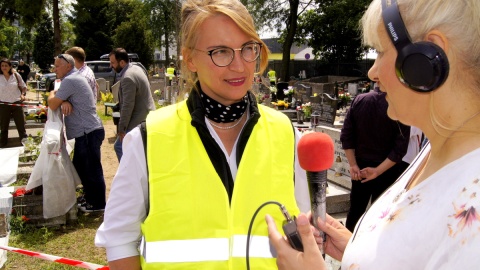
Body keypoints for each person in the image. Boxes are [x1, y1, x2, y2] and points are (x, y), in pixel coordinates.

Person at [95, 0, 311, 268]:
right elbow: (120, 238)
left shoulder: (287, 136)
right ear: (190, 58)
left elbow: (305, 233)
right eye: (220, 51)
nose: (239, 65)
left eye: (248, 49)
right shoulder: (150, 139)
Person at [266, 0, 480, 269]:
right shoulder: (437, 149)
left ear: (426, 58)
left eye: (380, 52)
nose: (372, 72)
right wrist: (358, 249)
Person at [340, 86, 409, 231]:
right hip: (387, 168)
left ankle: (347, 244)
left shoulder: (360, 100)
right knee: (382, 212)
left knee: (356, 209)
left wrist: (353, 164)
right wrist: (377, 171)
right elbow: (400, 148)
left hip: (360, 166)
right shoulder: (399, 104)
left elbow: (346, 135)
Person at [47, 54, 106, 213]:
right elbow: (59, 99)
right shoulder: (74, 78)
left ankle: (98, 204)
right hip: (87, 131)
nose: (55, 69)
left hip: (87, 131)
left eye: (58, 66)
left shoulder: (71, 80)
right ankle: (90, 196)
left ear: (68, 65)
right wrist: (64, 100)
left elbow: (52, 103)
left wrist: (55, 95)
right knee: (80, 168)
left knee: (91, 169)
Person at [108, 48, 155, 161]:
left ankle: (129, 176)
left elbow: (128, 106)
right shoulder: (136, 67)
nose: (111, 66)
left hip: (139, 118)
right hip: (147, 114)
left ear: (122, 62)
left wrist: (122, 129)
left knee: (119, 147)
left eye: (113, 63)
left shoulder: (128, 77)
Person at [0, 58, 28, 147]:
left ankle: (26, 145)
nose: (4, 67)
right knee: (4, 127)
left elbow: (23, 86)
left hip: (16, 102)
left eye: (6, 66)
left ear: (10, 66)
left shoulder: (15, 75)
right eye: (2, 66)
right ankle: (3, 145)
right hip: (4, 104)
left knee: (21, 126)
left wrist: (23, 94)